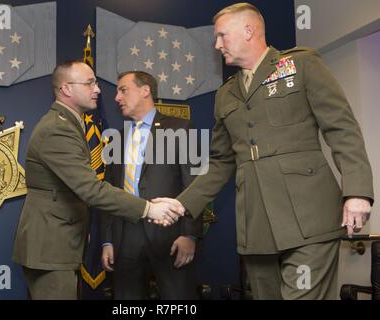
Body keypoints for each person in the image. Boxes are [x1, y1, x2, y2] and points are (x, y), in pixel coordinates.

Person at [155, 3, 374, 299]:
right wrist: (182, 204)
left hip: (310, 216)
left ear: (248, 30)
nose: (217, 45)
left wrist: (356, 191)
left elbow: (341, 128)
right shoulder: (226, 94)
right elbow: (220, 162)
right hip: (257, 224)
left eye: (221, 36)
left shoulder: (301, 65)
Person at [12, 61, 184, 300]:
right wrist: (149, 209)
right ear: (67, 89)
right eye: (90, 83)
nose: (98, 90)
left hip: (59, 246)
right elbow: (91, 189)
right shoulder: (57, 129)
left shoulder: (69, 125)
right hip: (51, 247)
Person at [100, 71, 202, 299]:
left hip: (170, 235)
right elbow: (108, 191)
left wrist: (190, 235)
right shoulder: (115, 139)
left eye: (123, 90)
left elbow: (195, 185)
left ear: (145, 90)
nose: (116, 97)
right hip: (125, 236)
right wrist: (107, 240)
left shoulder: (181, 128)